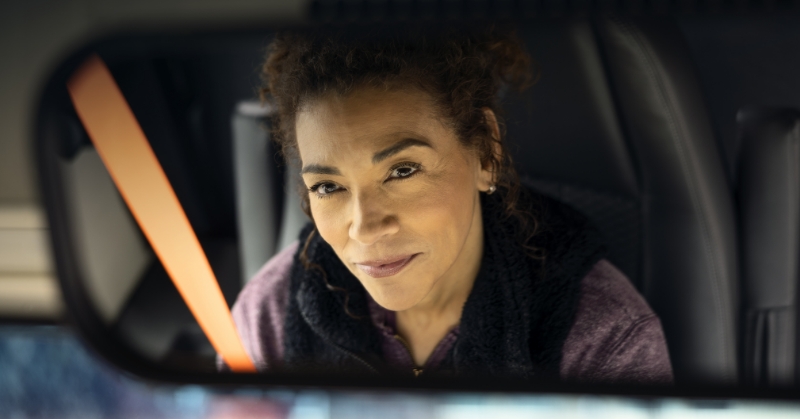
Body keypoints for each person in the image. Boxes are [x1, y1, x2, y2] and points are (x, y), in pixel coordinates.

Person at [226, 28, 673, 383]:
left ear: (485, 153)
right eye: (327, 186)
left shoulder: (603, 340)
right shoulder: (269, 315)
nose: (364, 227)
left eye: (402, 171)